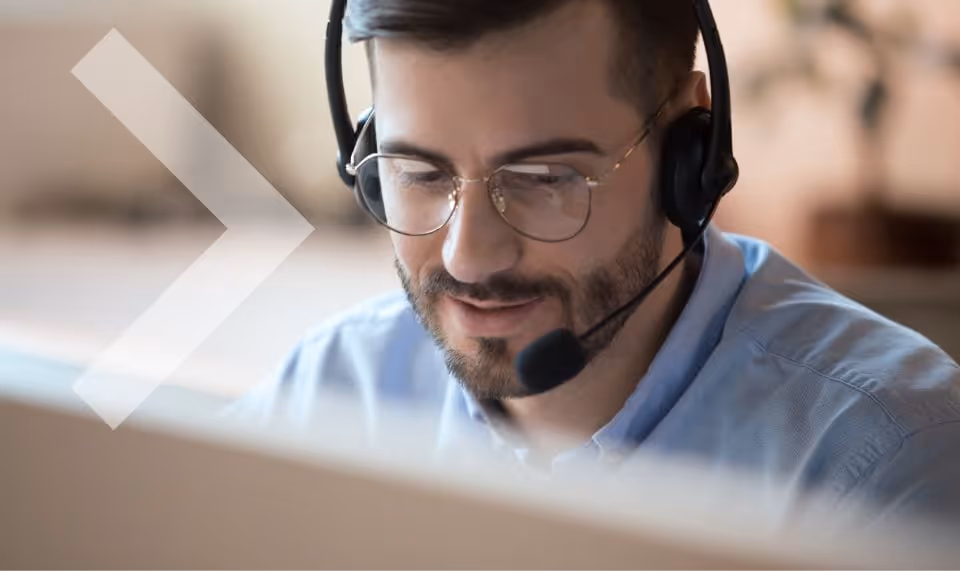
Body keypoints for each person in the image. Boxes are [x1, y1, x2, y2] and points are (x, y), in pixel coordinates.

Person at [235, 0, 960, 523]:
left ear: (691, 152)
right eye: (417, 172)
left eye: (545, 178)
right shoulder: (327, 391)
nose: (469, 254)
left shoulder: (889, 464)